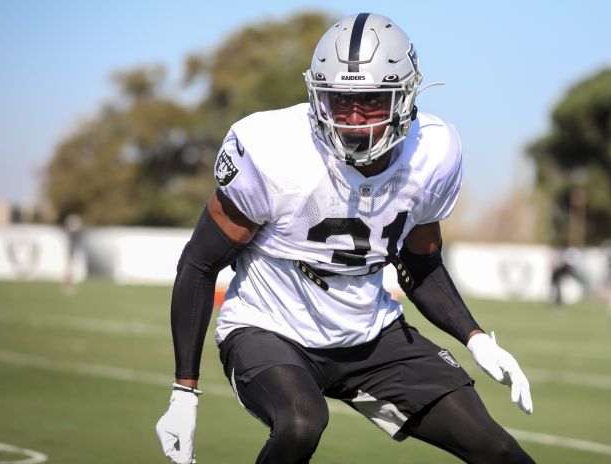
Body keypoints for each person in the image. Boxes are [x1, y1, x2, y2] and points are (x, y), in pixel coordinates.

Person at [155, 13, 535, 464]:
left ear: (405, 97)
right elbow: (199, 263)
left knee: (497, 450)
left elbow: (420, 265)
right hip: (269, 329)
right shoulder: (271, 148)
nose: (353, 119)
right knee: (301, 422)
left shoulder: (433, 153)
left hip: (371, 335)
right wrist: (184, 391)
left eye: (371, 101)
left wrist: (475, 338)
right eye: (340, 100)